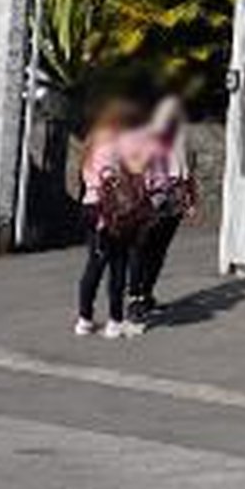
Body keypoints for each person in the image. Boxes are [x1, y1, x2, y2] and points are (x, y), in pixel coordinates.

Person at [73, 97, 153, 338]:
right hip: (110, 213)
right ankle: (114, 322)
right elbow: (126, 180)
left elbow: (86, 181)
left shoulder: (90, 145)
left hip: (90, 208)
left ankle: (85, 319)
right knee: (117, 267)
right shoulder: (113, 149)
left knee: (94, 266)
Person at [124, 93, 198, 327]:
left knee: (158, 251)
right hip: (146, 202)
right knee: (139, 249)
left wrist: (191, 200)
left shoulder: (177, 140)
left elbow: (186, 173)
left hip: (172, 202)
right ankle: (135, 298)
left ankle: (146, 294)